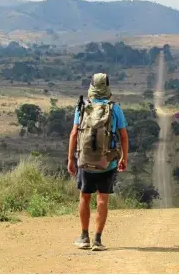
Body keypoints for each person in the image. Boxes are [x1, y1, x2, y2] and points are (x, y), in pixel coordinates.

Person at [67, 73, 129, 251]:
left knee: (84, 197)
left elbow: (73, 134)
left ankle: (84, 236)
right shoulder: (114, 108)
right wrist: (124, 158)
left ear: (91, 87)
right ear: (108, 87)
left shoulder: (82, 107)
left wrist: (71, 159)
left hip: (85, 161)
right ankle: (98, 240)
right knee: (103, 199)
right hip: (107, 162)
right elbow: (123, 136)